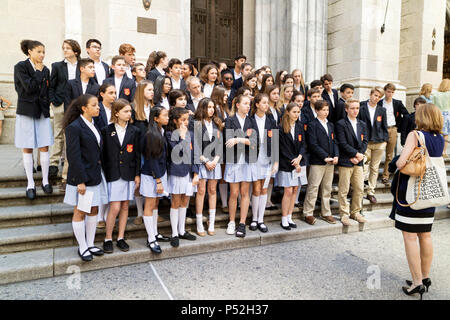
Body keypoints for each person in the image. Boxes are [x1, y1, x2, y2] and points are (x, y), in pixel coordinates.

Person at [392, 103, 444, 299]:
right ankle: (424, 276)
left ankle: (416, 283)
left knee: (410, 237)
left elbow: (400, 162)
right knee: (425, 235)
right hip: (429, 191)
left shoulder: (416, 135)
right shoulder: (440, 138)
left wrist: (399, 160)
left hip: (412, 191)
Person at [62, 94, 108, 261]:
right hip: (82, 176)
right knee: (81, 211)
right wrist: (80, 181)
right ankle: (82, 246)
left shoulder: (94, 124)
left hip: (95, 174)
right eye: (94, 105)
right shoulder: (74, 127)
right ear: (84, 108)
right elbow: (73, 156)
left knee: (94, 209)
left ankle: (90, 243)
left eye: (98, 105)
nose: (98, 107)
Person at [14, 40, 54, 200]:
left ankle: (45, 181)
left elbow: (46, 89)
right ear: (29, 52)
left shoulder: (46, 69)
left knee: (44, 145)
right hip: (26, 111)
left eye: (43, 52)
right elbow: (28, 88)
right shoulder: (21, 67)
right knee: (27, 146)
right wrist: (37, 73)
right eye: (39, 51)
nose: (42, 55)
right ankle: (30, 183)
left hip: (42, 110)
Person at [101, 99, 140, 253]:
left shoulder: (135, 131)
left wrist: (137, 174)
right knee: (115, 207)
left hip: (129, 173)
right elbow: (103, 155)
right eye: (125, 111)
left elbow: (137, 154)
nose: (129, 114)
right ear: (116, 113)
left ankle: (121, 237)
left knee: (125, 206)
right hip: (114, 173)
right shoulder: (106, 130)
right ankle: (108, 238)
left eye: (130, 111)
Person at [224, 94, 257, 238]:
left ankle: (242, 223)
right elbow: (228, 140)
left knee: (245, 193)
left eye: (249, 104)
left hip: (248, 160)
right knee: (234, 193)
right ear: (237, 105)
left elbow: (255, 142)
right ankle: (231, 221)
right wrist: (245, 140)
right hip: (234, 159)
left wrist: (239, 139)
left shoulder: (251, 120)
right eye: (245, 103)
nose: (248, 106)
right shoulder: (230, 120)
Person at [165, 107, 199, 247]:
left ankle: (182, 230)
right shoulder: (169, 134)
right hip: (177, 171)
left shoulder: (191, 133)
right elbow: (176, 152)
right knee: (176, 201)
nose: (186, 122)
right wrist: (183, 138)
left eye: (187, 119)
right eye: (183, 120)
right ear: (175, 121)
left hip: (189, 172)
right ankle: (174, 233)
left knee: (185, 201)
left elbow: (195, 154)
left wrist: (196, 173)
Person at [48, 39, 81, 178]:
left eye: (68, 48)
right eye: (64, 48)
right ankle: (53, 164)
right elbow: (51, 86)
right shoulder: (57, 66)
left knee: (72, 136)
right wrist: (53, 101)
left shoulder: (83, 65)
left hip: (76, 104)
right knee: (58, 134)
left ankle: (69, 165)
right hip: (60, 104)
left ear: (76, 51)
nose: (65, 50)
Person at [140, 107, 170, 254]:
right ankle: (151, 238)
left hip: (160, 173)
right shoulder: (151, 134)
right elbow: (151, 158)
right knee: (150, 205)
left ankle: (155, 233)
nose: (168, 117)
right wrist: (158, 180)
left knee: (156, 203)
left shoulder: (161, 131)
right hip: (151, 175)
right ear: (156, 118)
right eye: (165, 115)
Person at [303, 100, 338, 225]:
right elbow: (313, 144)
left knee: (327, 188)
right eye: (323, 110)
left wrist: (336, 155)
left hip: (330, 162)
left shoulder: (330, 125)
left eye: (327, 110)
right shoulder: (312, 125)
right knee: (313, 187)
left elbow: (334, 142)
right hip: (318, 161)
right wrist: (324, 156)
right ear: (317, 111)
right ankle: (308, 213)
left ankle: (326, 212)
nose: (326, 112)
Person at [193, 98, 224, 236]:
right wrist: (206, 161)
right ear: (202, 108)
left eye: (213, 107)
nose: (211, 109)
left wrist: (215, 160)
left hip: (215, 162)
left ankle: (211, 223)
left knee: (212, 190)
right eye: (208, 107)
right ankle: (199, 223)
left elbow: (220, 145)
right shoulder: (196, 124)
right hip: (201, 161)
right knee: (201, 191)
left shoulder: (217, 123)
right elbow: (195, 146)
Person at [335, 99, 368, 226]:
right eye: (352, 108)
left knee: (359, 188)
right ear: (346, 109)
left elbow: (365, 141)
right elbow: (342, 143)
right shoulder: (341, 124)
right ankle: (344, 214)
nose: (355, 110)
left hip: (358, 162)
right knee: (343, 189)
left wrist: (359, 156)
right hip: (346, 161)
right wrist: (354, 154)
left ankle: (356, 212)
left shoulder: (362, 124)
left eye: (357, 108)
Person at [249, 93, 278, 233]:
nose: (267, 105)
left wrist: (276, 162)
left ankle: (261, 219)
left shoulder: (271, 121)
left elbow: (275, 142)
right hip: (254, 158)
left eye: (267, 103)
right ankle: (254, 218)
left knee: (264, 188)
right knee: (256, 188)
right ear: (257, 104)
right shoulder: (250, 120)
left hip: (267, 159)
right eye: (264, 102)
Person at [277, 103, 306, 230]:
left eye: (298, 112)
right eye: (294, 112)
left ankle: (290, 216)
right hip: (287, 163)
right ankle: (284, 218)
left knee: (295, 190)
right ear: (287, 112)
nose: (296, 114)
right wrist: (293, 161)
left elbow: (304, 144)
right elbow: (282, 148)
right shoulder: (281, 128)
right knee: (288, 191)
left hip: (299, 162)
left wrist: (299, 158)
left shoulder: (300, 126)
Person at [359, 87, 388, 204]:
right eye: (375, 95)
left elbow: (384, 127)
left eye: (379, 97)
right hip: (365, 143)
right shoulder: (361, 106)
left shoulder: (382, 110)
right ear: (370, 94)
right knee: (364, 167)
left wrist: (385, 140)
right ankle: (359, 191)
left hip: (379, 142)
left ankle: (371, 192)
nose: (376, 98)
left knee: (374, 168)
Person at [131, 80, 154, 226]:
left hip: (152, 150)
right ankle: (140, 213)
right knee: (138, 182)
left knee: (151, 180)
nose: (152, 92)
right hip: (138, 150)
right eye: (149, 90)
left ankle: (151, 210)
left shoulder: (154, 108)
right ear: (141, 91)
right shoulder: (133, 109)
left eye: (152, 90)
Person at [378, 83, 409, 185]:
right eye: (388, 91)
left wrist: (399, 124)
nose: (390, 94)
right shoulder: (379, 103)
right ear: (385, 91)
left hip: (392, 129)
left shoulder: (397, 103)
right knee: (377, 153)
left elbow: (406, 114)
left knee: (389, 155)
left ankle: (385, 176)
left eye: (392, 92)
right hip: (381, 130)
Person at [432, 79, 450, 157]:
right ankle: (444, 152)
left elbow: (432, 106)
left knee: (437, 133)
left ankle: (437, 150)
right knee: (445, 134)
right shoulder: (449, 94)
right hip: (447, 115)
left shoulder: (435, 94)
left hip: (437, 114)